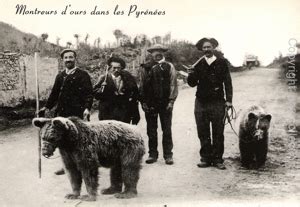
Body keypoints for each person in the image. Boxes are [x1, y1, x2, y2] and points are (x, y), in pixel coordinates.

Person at [38, 48, 94, 175]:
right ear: (62, 60)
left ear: (75, 59)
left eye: (71, 57)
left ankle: (80, 164)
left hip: (76, 113)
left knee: (77, 139)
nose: (68, 60)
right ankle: (66, 165)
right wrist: (46, 107)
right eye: (66, 58)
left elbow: (89, 94)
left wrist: (87, 108)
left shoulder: (82, 75)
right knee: (62, 139)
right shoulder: (60, 76)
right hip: (61, 113)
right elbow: (54, 94)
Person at [187, 38, 233, 170]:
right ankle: (205, 158)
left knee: (218, 131)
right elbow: (192, 84)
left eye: (209, 47)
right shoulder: (198, 64)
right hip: (201, 102)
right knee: (203, 131)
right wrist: (190, 74)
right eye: (204, 48)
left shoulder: (222, 62)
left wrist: (229, 100)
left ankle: (218, 159)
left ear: (214, 48)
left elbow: (228, 83)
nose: (206, 49)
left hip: (217, 102)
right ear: (202, 50)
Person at [139, 44, 178, 165]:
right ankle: (152, 154)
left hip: (165, 103)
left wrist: (171, 101)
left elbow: (173, 84)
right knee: (151, 130)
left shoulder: (169, 66)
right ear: (151, 54)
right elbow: (141, 85)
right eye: (154, 52)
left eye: (159, 51)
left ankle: (168, 155)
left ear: (163, 53)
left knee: (166, 129)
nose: (157, 54)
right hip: (150, 104)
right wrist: (143, 102)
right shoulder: (145, 67)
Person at [93, 56, 140, 124]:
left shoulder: (128, 79)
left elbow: (134, 97)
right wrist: (101, 89)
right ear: (110, 68)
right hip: (107, 113)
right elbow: (96, 94)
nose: (116, 70)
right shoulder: (103, 78)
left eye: (118, 68)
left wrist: (134, 115)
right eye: (114, 68)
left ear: (122, 68)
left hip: (123, 114)